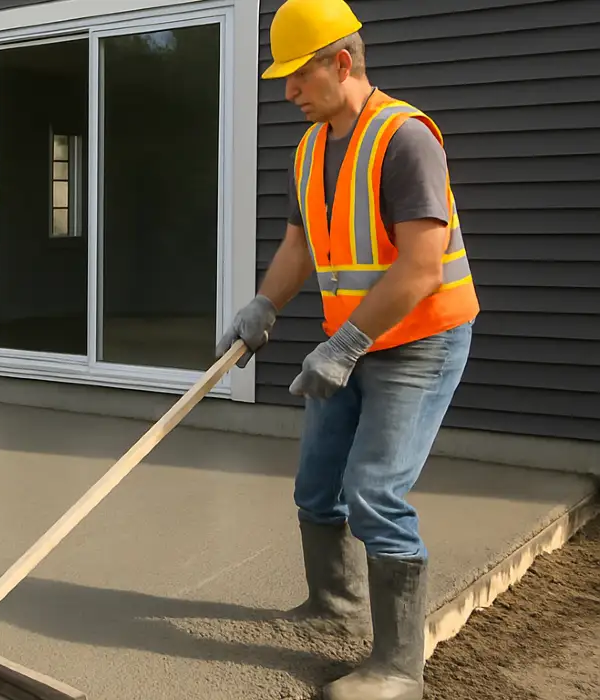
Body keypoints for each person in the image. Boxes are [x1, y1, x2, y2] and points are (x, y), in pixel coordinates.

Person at [216, 1, 480, 698]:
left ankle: (398, 668)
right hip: (353, 344)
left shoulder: (405, 138)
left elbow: (422, 265)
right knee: (317, 484)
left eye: (298, 76)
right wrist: (264, 304)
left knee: (375, 492)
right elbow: (301, 246)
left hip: (419, 341)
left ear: (341, 62)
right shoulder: (311, 148)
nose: (288, 92)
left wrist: (345, 345)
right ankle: (333, 605)